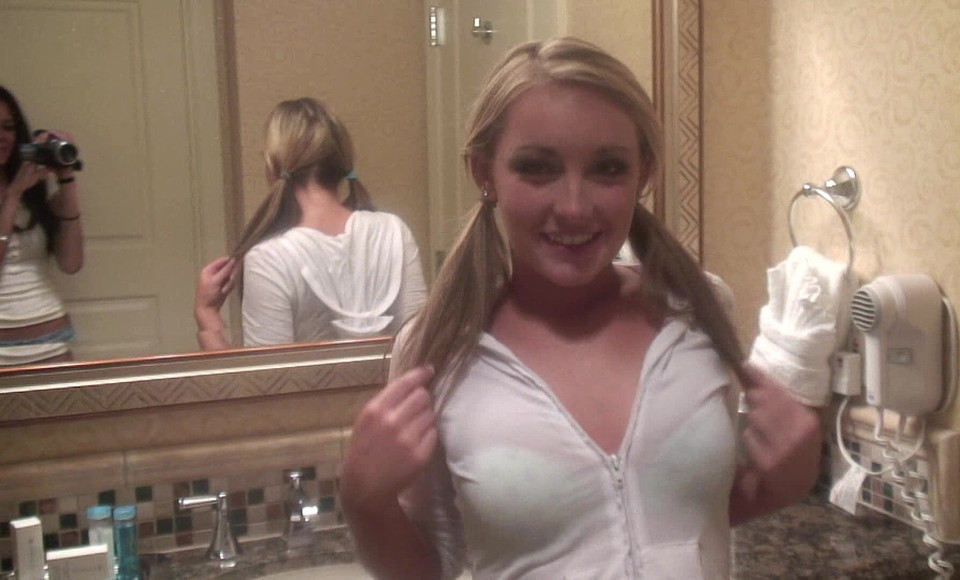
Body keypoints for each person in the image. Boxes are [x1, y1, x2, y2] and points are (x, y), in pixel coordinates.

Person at [339, 37, 822, 579]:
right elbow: (430, 569)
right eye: (537, 168)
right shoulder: (438, 351)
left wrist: (789, 477)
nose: (573, 207)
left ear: (643, 173)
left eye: (608, 169)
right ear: (484, 172)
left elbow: (695, 515)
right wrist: (364, 502)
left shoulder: (700, 310)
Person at [194, 98, 426, 350]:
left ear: (272, 166)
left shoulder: (269, 258)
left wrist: (207, 316)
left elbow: (268, 374)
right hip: (401, 378)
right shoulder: (394, 231)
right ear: (342, 163)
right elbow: (420, 346)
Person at [0, 86, 84, 366]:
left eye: (8, 127)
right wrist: (13, 195)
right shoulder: (19, 189)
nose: (2, 136)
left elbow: (71, 263)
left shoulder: (32, 190)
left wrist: (66, 177)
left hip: (51, 338)